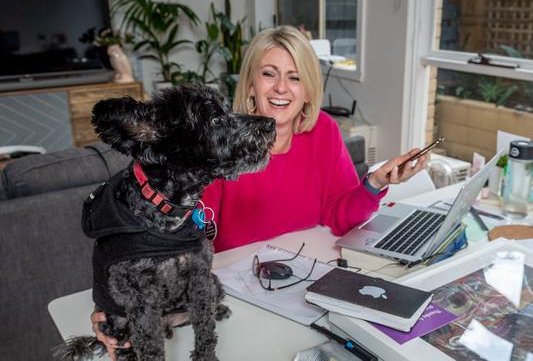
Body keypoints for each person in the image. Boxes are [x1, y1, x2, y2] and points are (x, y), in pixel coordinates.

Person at [92, 25, 427, 358]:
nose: (281, 87)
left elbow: (339, 217)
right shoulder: (216, 144)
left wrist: (375, 184)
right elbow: (163, 234)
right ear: (251, 84)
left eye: (295, 77)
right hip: (237, 291)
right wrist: (109, 305)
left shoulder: (324, 131)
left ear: (308, 90)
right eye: (269, 74)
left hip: (305, 284)